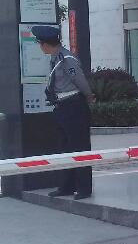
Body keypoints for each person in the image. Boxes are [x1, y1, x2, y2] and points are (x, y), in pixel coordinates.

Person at [32, 25, 95, 200]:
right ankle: (67, 186)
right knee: (66, 149)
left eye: (40, 44)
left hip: (74, 106)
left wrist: (89, 96)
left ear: (45, 44)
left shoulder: (66, 59)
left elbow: (79, 79)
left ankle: (84, 188)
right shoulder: (56, 58)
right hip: (62, 107)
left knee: (80, 148)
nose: (40, 47)